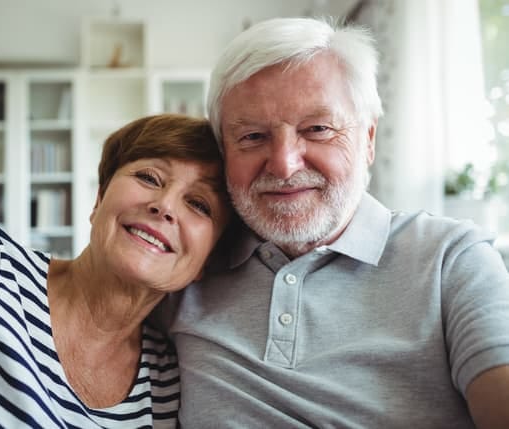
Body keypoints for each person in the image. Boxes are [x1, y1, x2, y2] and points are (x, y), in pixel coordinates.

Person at [164, 17, 509, 428]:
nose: (285, 165)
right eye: (253, 137)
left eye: (317, 129)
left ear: (368, 139)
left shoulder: (453, 260)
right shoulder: (184, 263)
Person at [0, 114, 231, 428]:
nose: (164, 205)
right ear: (99, 199)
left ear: (207, 262)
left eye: (199, 204)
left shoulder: (166, 376)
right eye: (150, 178)